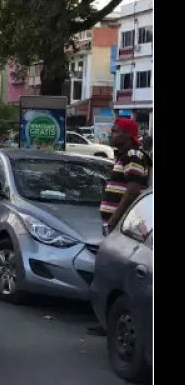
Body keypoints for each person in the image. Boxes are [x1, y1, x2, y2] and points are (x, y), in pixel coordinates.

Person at [87, 117, 152, 337]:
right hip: (113, 224)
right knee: (108, 273)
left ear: (126, 135)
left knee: (113, 273)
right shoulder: (124, 157)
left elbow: (133, 189)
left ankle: (112, 321)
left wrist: (116, 216)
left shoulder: (133, 156)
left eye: (115, 131)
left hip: (121, 225)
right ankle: (107, 318)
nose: (110, 135)